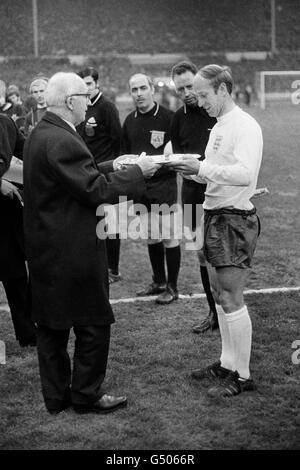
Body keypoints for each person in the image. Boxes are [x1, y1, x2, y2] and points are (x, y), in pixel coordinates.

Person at [23, 72, 160, 415]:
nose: (89, 100)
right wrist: (138, 172)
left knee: (52, 327)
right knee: (94, 323)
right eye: (85, 96)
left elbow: (75, 176)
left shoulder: (43, 132)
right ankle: (85, 394)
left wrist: (113, 164)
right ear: (71, 102)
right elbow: (95, 190)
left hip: (47, 248)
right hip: (73, 250)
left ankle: (56, 398)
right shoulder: (63, 138)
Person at [165, 65, 263, 397]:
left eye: (204, 94)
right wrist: (183, 167)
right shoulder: (220, 126)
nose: (199, 100)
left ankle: (244, 376)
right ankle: (226, 363)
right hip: (214, 215)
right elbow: (214, 174)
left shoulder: (244, 125)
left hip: (233, 221)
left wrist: (202, 167)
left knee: (233, 298)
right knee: (220, 297)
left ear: (223, 90)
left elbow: (245, 173)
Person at [122, 73, 181, 305]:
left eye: (142, 88)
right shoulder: (129, 121)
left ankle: (172, 287)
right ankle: (158, 281)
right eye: (134, 89)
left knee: (168, 236)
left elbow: (179, 150)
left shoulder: (169, 118)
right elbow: (124, 155)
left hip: (163, 186)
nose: (139, 94)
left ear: (152, 90)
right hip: (140, 188)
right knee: (150, 236)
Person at [171, 61, 218, 333]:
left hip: (217, 192)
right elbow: (178, 156)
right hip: (190, 195)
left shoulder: (215, 112)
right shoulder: (178, 118)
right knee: (200, 254)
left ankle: (227, 309)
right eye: (181, 88)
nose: (187, 92)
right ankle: (213, 312)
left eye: (190, 85)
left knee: (220, 253)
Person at [76, 67, 122, 284]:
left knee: (110, 222)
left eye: (89, 84)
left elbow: (117, 139)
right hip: (88, 171)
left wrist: (112, 166)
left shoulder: (107, 107)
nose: (86, 88)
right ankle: (99, 265)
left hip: (106, 172)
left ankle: (113, 269)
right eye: (82, 84)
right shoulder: (80, 107)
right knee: (95, 222)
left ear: (96, 84)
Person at [0, 113, 37, 347]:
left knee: (19, 273)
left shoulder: (6, 122)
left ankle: (28, 333)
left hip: (12, 213)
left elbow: (28, 153)